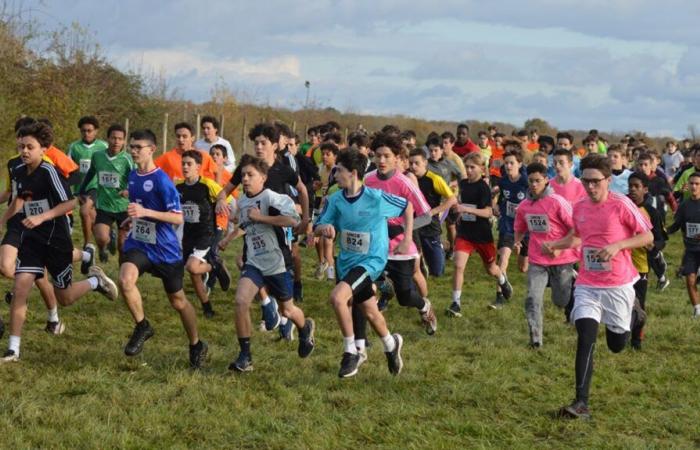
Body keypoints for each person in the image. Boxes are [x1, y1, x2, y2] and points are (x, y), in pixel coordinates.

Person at [544, 154, 651, 420]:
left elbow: (647, 236)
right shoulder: (579, 207)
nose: (590, 187)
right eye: (586, 181)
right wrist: (556, 245)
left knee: (616, 345)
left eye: (595, 182)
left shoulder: (621, 205)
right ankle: (581, 403)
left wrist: (617, 246)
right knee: (585, 337)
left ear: (608, 180)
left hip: (618, 285)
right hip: (588, 283)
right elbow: (577, 238)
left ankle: (635, 316)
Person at [0, 122, 118, 363]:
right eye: (21, 146)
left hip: (55, 239)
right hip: (31, 238)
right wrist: (4, 220)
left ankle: (96, 281)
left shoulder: (49, 172)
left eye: (29, 147)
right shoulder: (19, 171)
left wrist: (42, 216)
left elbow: (69, 203)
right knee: (21, 286)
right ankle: (14, 349)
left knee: (65, 297)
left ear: (43, 149)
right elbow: (21, 199)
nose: (24, 151)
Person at [118, 129, 208, 369]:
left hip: (166, 249)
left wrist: (145, 213)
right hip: (140, 243)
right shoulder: (133, 175)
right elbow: (140, 206)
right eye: (132, 147)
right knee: (126, 280)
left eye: (139, 147)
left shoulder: (162, 180)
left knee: (178, 302)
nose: (134, 151)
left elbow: (178, 218)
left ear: (152, 149)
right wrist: (134, 219)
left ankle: (196, 343)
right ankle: (142, 325)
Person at [315, 149, 407, 378]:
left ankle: (351, 351)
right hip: (346, 262)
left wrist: (408, 238)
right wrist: (324, 228)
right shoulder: (335, 200)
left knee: (338, 298)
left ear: (353, 173)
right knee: (371, 312)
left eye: (339, 170)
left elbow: (408, 206)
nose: (335, 174)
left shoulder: (376, 198)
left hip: (371, 261)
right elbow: (318, 224)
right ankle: (390, 343)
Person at [216, 123, 311, 341]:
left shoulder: (282, 169)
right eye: (255, 143)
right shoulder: (247, 169)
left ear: (275, 145)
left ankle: (285, 316)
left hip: (279, 229)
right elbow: (226, 191)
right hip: (255, 230)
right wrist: (221, 200)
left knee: (276, 269)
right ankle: (268, 307)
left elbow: (303, 190)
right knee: (245, 263)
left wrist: (306, 218)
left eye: (263, 143)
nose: (258, 147)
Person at [228, 155, 315, 372]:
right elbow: (246, 225)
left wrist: (262, 219)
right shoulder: (242, 201)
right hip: (254, 262)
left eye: (250, 175)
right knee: (240, 301)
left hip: (277, 262)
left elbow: (293, 220)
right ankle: (245, 356)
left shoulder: (272, 198)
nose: (245, 179)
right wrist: (231, 232)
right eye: (243, 175)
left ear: (263, 178)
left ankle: (305, 328)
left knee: (287, 310)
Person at [362, 132, 437, 338]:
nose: (382, 160)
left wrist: (404, 232)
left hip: (400, 246)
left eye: (387, 156)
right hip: (375, 244)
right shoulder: (368, 180)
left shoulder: (404, 182)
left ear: (397, 158)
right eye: (378, 156)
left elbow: (426, 215)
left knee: (405, 297)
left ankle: (424, 306)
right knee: (365, 285)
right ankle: (364, 335)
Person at [514, 162, 577, 348]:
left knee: (560, 301)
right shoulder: (525, 205)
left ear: (546, 180)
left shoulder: (557, 202)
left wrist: (559, 247)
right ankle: (536, 338)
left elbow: (575, 228)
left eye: (537, 181)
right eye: (531, 181)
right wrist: (517, 241)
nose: (534, 185)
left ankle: (572, 283)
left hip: (562, 258)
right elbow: (520, 227)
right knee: (532, 298)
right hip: (537, 259)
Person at [448, 153, 513, 317]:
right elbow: (459, 200)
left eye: (472, 167)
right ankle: (456, 303)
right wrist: (457, 209)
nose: (469, 170)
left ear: (482, 169)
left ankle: (503, 281)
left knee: (491, 269)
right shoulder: (463, 184)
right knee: (458, 265)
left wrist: (466, 209)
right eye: (467, 167)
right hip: (465, 233)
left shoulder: (483, 187)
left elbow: (488, 212)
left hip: (482, 235)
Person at [176, 150, 231, 319]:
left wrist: (222, 203)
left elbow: (226, 199)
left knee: (192, 267)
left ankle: (215, 266)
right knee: (194, 274)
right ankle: (207, 306)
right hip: (189, 234)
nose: (185, 167)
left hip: (206, 233)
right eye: (183, 163)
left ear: (198, 167)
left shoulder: (208, 185)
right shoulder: (178, 188)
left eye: (189, 164)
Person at [78, 124, 133, 262]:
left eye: (120, 139)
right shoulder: (98, 156)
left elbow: (135, 177)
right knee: (101, 238)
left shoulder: (127, 159)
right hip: (104, 205)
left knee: (122, 246)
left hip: (123, 207)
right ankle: (103, 248)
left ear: (124, 141)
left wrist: (128, 189)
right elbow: (91, 172)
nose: (116, 141)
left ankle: (123, 275)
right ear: (107, 138)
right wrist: (81, 190)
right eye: (113, 138)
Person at [627, 172, 667, 348]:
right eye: (630, 186)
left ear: (645, 189)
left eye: (637, 186)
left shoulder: (651, 212)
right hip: (620, 264)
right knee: (622, 302)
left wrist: (653, 246)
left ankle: (636, 341)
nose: (633, 190)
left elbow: (661, 239)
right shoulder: (621, 206)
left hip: (640, 266)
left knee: (639, 304)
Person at [408, 148, 457, 277]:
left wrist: (433, 212)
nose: (413, 166)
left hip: (430, 223)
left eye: (416, 163)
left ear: (425, 162)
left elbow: (452, 199)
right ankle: (419, 264)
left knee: (437, 271)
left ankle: (441, 247)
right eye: (411, 163)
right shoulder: (406, 178)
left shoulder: (434, 179)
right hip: (412, 222)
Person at [492, 146, 529, 309]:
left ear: (520, 164)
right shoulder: (503, 180)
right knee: (503, 258)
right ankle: (500, 295)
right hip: (508, 225)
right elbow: (495, 196)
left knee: (523, 268)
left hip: (527, 229)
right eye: (506, 163)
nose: (508, 166)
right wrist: (495, 206)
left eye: (511, 163)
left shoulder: (527, 181)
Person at [67, 116, 109, 248]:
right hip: (81, 187)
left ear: (96, 131)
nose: (86, 133)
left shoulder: (103, 146)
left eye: (89, 130)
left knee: (84, 211)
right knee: (91, 216)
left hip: (97, 186)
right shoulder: (74, 147)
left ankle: (87, 244)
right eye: (83, 131)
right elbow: (67, 168)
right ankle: (107, 234)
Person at [667, 171, 700, 318]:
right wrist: (662, 232)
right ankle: (697, 310)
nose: (694, 186)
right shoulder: (685, 205)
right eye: (691, 183)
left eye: (697, 184)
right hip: (691, 249)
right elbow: (676, 225)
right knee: (690, 279)